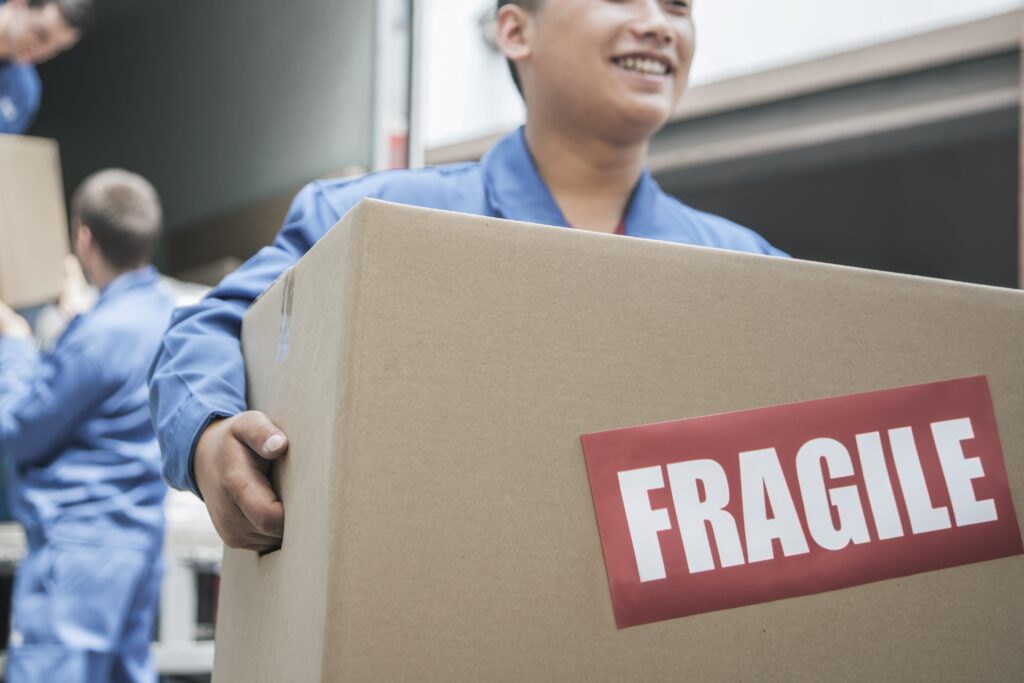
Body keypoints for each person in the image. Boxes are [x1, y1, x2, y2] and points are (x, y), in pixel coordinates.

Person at [149, 0, 789, 552]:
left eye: (679, 6)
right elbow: (209, 328)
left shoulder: (754, 271)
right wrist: (209, 439)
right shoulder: (370, 221)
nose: (656, 23)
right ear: (515, 32)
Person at [0, 169, 171, 682]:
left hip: (79, 552)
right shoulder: (166, 314)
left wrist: (13, 342)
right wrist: (79, 320)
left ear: (84, 238)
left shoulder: (99, 336)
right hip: (139, 546)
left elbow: (19, 428)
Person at [0, 0, 93, 134]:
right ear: (19, 4)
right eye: (40, 35)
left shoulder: (24, 92)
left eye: (56, 49)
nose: (42, 52)